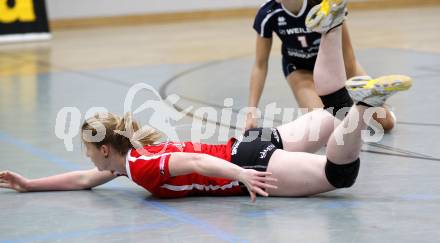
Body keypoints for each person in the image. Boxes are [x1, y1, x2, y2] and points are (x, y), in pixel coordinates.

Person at [0, 0, 411, 202]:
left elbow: (195, 164)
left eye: (88, 151)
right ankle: (333, 29)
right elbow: (83, 179)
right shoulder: (131, 159)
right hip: (249, 144)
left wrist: (243, 176)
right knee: (331, 108)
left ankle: (362, 106)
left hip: (251, 162)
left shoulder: (141, 166)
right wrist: (30, 184)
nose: (87, 159)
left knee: (339, 175)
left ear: (105, 149)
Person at [245, 0, 397, 132]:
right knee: (325, 127)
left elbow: (348, 58)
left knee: (386, 123)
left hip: (336, 66)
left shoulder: (325, 6)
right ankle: (347, 115)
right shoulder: (268, 13)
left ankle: (365, 108)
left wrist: (354, 92)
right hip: (300, 70)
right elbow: (260, 65)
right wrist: (251, 111)